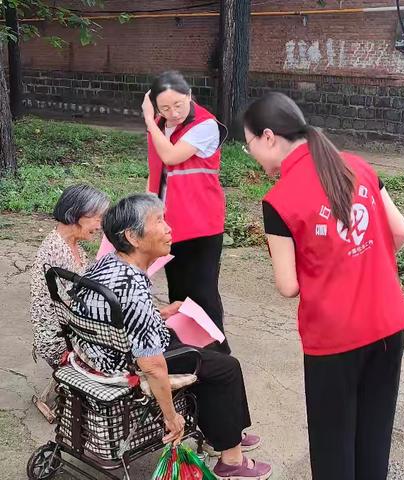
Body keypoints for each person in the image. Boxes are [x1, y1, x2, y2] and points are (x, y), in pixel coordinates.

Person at [242, 92, 404, 480]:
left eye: (249, 144)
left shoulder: (279, 199)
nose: (252, 154)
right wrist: (362, 261)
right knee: (374, 436)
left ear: (269, 137)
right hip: (387, 323)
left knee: (333, 444)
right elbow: (399, 231)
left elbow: (287, 285)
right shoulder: (358, 166)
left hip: (334, 338)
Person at [70, 193, 271, 480]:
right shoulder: (134, 287)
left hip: (102, 348)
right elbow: (151, 365)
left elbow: (117, 315)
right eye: (159, 221)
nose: (169, 228)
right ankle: (230, 459)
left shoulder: (107, 264)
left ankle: (225, 433)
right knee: (226, 367)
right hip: (124, 362)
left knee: (198, 349)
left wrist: (160, 314)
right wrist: (171, 418)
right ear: (133, 237)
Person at [141, 70, 230, 354]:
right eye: (164, 107)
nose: (173, 112)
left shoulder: (205, 126)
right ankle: (187, 349)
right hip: (170, 224)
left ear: (190, 96)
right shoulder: (160, 123)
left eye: (179, 104)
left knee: (202, 292)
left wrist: (148, 121)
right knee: (177, 291)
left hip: (202, 224)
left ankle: (218, 353)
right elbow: (157, 169)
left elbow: (170, 155)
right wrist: (148, 207)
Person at [30, 184, 109, 421]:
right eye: (96, 218)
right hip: (60, 339)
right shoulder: (57, 252)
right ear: (76, 215)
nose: (99, 225)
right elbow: (78, 306)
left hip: (67, 329)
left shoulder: (71, 246)